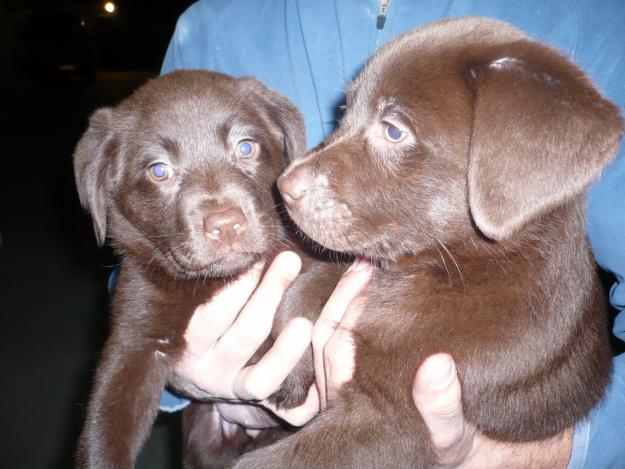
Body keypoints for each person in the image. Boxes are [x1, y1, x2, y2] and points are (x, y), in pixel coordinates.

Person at [158, 1, 625, 467]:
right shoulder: (213, 24)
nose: (294, 181)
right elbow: (145, 242)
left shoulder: (593, 22)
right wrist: (174, 357)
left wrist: (529, 455)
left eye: (394, 131)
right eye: (347, 114)